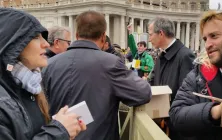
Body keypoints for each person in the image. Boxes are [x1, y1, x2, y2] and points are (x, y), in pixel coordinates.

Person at [42, 11, 152, 140]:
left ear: (77, 35)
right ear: (103, 37)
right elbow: (143, 93)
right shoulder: (110, 63)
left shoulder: (48, 64)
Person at [0, 8, 86, 140]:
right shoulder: (4, 100)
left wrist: (62, 128)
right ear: (13, 44)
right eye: (35, 37)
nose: (46, 44)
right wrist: (60, 131)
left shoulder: (28, 87)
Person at [170, 11, 222, 140]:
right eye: (205, 39)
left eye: (214, 36)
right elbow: (176, 115)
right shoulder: (197, 75)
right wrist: (216, 110)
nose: (207, 45)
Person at [147, 17, 195, 139]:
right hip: (163, 120)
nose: (149, 39)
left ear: (161, 33)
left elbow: (187, 96)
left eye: (150, 34)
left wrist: (168, 117)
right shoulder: (162, 54)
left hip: (175, 127)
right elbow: (154, 83)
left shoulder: (185, 55)